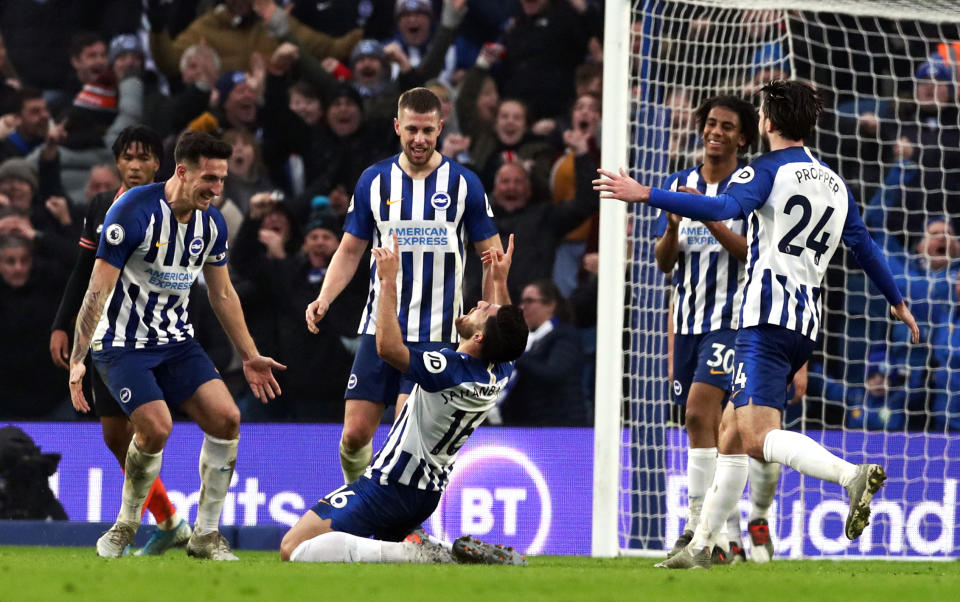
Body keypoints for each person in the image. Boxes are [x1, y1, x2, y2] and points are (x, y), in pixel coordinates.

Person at [593, 80, 919, 569]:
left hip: (763, 319)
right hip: (804, 323)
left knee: (755, 437)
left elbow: (724, 207)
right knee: (728, 432)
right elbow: (864, 247)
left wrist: (647, 194)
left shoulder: (765, 170)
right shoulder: (833, 182)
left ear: (766, 121)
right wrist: (896, 300)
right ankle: (702, 547)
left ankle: (851, 476)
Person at [67, 131, 285, 560]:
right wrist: (78, 358)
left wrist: (249, 355)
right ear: (181, 172)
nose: (217, 189)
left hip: (176, 342)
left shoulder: (212, 223)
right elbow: (96, 291)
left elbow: (223, 295)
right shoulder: (130, 212)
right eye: (209, 178)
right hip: (121, 343)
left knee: (227, 419)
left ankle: (205, 535)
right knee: (156, 426)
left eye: (222, 180)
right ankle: (126, 525)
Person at [282, 233, 528, 565]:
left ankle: (420, 552)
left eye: (483, 310)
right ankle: (418, 550)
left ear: (480, 335)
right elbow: (508, 334)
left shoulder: (449, 370)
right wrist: (499, 279)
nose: (479, 303)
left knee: (294, 548)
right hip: (425, 494)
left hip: (389, 486)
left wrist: (387, 283)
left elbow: (388, 349)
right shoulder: (499, 372)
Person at [304, 86, 502, 485]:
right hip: (380, 330)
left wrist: (489, 322)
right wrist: (325, 297)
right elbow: (348, 250)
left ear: (440, 128)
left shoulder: (464, 185)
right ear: (397, 126)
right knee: (354, 436)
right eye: (412, 129)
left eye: (428, 130)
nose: (419, 139)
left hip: (437, 338)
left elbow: (492, 258)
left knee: (405, 440)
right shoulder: (374, 181)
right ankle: (357, 503)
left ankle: (403, 529)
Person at [653, 94, 786, 564]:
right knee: (715, 430)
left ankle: (694, 528)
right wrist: (671, 228)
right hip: (687, 323)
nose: (716, 132)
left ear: (743, 138)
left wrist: (706, 217)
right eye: (710, 123)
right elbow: (666, 263)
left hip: (732, 323)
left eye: (727, 126)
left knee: (698, 415)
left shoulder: (748, 188)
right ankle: (724, 536)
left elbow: (752, 252)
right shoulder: (679, 183)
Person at [49, 125, 193, 555]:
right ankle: (168, 521)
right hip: (106, 338)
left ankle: (148, 524)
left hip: (155, 339)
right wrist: (62, 324)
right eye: (128, 157)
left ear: (159, 163)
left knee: (147, 429)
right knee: (116, 437)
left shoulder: (175, 210)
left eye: (145, 157)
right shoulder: (99, 206)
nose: (135, 165)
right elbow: (83, 272)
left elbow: (188, 282)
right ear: (117, 162)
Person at [498, 278, 587, 427]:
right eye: (521, 301)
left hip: (563, 427)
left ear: (550, 305)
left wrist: (515, 355)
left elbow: (554, 372)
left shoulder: (565, 336)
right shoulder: (530, 340)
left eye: (529, 301)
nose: (522, 307)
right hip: (533, 424)